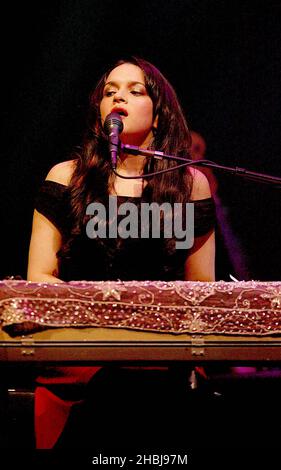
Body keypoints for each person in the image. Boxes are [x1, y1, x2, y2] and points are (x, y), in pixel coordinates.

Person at [27, 56, 216, 448]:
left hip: (160, 367)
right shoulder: (65, 177)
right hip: (79, 362)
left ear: (160, 115)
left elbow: (202, 289)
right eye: (110, 92)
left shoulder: (190, 184)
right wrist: (106, 315)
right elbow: (38, 278)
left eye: (135, 90)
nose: (118, 98)